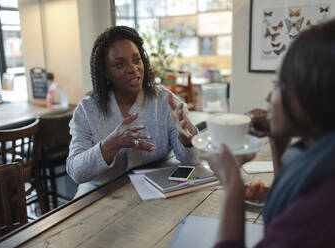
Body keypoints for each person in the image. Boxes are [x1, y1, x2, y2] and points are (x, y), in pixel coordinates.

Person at [200, 19, 335, 247]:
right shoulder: (318, 155)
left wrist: (231, 182)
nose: (269, 98)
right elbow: (286, 209)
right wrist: (279, 138)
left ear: (312, 94)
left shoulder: (324, 205)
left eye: (279, 84)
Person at [66, 26, 199, 198]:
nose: (132, 69)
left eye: (136, 60)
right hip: (99, 194)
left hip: (153, 189)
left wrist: (187, 141)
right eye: (119, 64)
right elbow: (76, 172)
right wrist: (112, 143)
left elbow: (193, 162)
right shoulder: (87, 110)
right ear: (105, 72)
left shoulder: (165, 101)